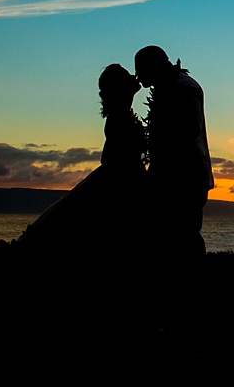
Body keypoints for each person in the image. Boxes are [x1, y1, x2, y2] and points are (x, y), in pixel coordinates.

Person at [20, 63, 146, 250]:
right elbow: (113, 157)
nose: (134, 77)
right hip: (122, 180)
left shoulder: (121, 114)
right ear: (120, 87)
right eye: (128, 75)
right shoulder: (118, 117)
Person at [134, 45, 214, 256]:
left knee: (184, 236)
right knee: (175, 236)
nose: (137, 77)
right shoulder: (173, 86)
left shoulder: (183, 88)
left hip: (185, 179)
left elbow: (187, 133)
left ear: (153, 67)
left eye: (140, 70)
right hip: (176, 177)